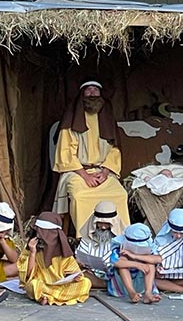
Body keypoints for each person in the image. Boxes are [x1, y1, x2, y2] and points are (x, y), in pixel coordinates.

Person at [53, 80, 130, 237]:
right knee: (80, 196)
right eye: (88, 90)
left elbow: (114, 150)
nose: (92, 93)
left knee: (120, 195)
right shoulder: (72, 120)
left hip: (103, 171)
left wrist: (106, 172)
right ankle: (86, 241)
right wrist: (85, 175)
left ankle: (119, 238)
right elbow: (65, 152)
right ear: (82, 95)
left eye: (96, 90)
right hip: (77, 172)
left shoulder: (107, 120)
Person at [18, 211, 91, 305]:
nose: (39, 236)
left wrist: (75, 277)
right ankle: (50, 296)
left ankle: (47, 297)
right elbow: (27, 276)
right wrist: (33, 252)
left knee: (85, 283)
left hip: (61, 285)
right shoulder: (32, 248)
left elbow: (73, 272)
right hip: (42, 284)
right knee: (32, 285)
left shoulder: (63, 251)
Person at [107, 222, 162, 304]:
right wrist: (137, 265)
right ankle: (132, 293)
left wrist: (134, 256)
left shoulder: (151, 247)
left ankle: (148, 294)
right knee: (123, 260)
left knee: (150, 262)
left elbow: (158, 259)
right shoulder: (119, 247)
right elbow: (115, 262)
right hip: (122, 285)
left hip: (142, 283)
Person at [76, 200, 125, 289]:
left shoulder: (122, 240)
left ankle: (107, 284)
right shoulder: (87, 237)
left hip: (113, 275)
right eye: (100, 223)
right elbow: (79, 256)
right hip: (90, 273)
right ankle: (105, 285)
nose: (103, 227)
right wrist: (80, 263)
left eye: (107, 224)